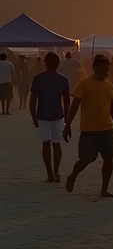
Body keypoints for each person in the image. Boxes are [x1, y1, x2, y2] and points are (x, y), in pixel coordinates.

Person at [63, 55, 113, 196]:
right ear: (94, 68)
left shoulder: (110, 86)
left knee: (108, 159)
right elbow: (74, 106)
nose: (106, 71)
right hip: (89, 130)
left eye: (107, 68)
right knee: (86, 159)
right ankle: (73, 176)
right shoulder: (84, 84)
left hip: (107, 129)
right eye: (102, 68)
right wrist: (67, 125)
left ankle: (104, 189)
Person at [29, 52, 71, 182]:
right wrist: (67, 118)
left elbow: (33, 101)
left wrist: (33, 117)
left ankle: (50, 174)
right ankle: (56, 171)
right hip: (58, 115)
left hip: (43, 116)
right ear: (58, 64)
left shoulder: (38, 79)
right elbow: (67, 101)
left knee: (46, 144)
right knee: (57, 144)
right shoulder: (63, 80)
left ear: (45, 63)